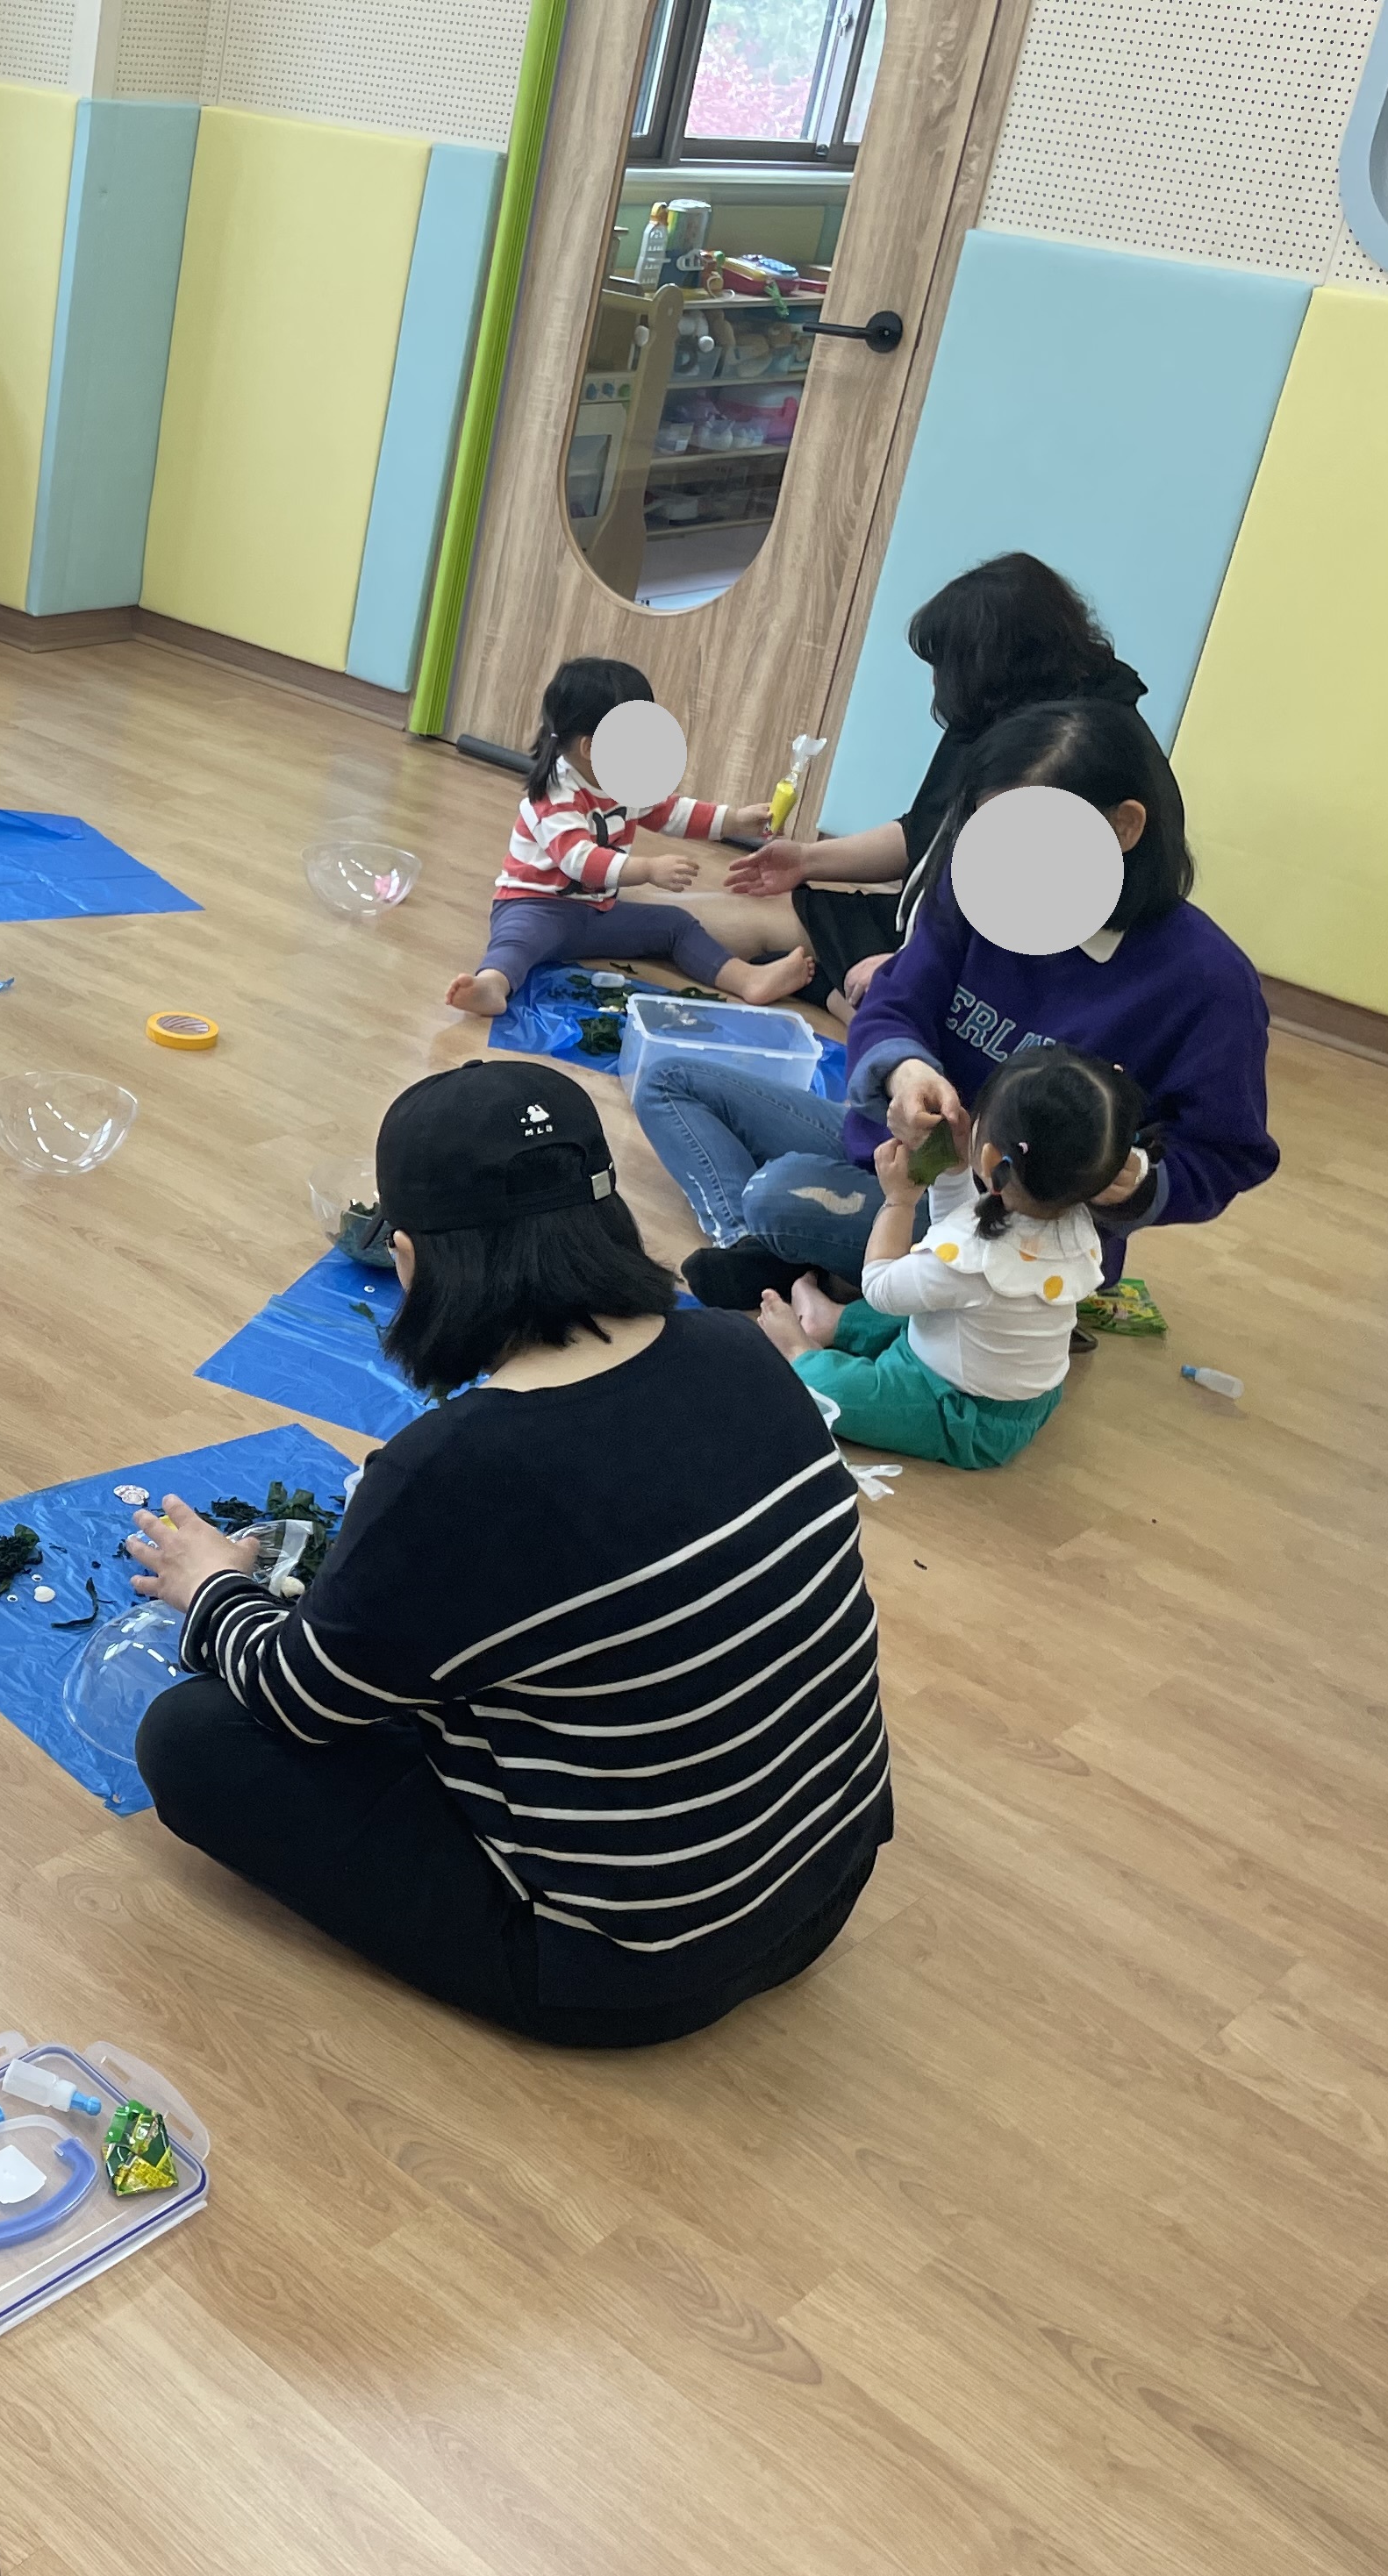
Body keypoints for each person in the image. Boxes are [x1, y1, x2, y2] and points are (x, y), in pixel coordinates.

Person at [123, 1060, 891, 2047]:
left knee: (191, 1738)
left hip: (634, 1970)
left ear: (407, 1259)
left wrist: (213, 1585)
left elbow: (296, 1700)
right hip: (829, 1885)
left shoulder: (454, 1467)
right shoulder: (742, 1351)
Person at [637, 696, 1276, 1314]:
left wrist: (1134, 1179)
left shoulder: (1207, 982)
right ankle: (766, 1251)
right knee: (669, 1081)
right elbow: (895, 1001)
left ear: (1123, 827)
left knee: (777, 1194)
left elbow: (1228, 1153)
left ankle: (801, 1253)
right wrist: (905, 1070)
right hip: (900, 1158)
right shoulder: (982, 889)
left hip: (1011, 1227)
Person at [719, 552, 1151, 1003]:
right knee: (727, 919)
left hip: (1005, 970)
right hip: (931, 925)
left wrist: (915, 962)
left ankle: (833, 993)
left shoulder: (1074, 747)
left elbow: (1035, 914)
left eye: (946, 664)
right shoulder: (996, 709)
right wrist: (808, 860)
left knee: (876, 1002)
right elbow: (927, 833)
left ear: (993, 661)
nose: (936, 682)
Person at [755, 1046, 1149, 1470]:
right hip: (1019, 1393)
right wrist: (954, 1172)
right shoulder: (1074, 1222)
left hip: (964, 1413)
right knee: (927, 1306)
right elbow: (958, 1235)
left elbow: (881, 1287)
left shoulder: (974, 1261)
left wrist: (899, 1202)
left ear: (991, 1158)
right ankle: (833, 1321)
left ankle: (800, 1352)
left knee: (840, 1391)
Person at [445, 655, 812, 1017]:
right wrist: (648, 869)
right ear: (590, 748)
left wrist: (736, 820)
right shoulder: (554, 795)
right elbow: (579, 860)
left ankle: (747, 979)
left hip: (597, 911)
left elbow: (672, 812)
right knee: (516, 943)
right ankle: (491, 985)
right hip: (534, 906)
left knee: (676, 925)